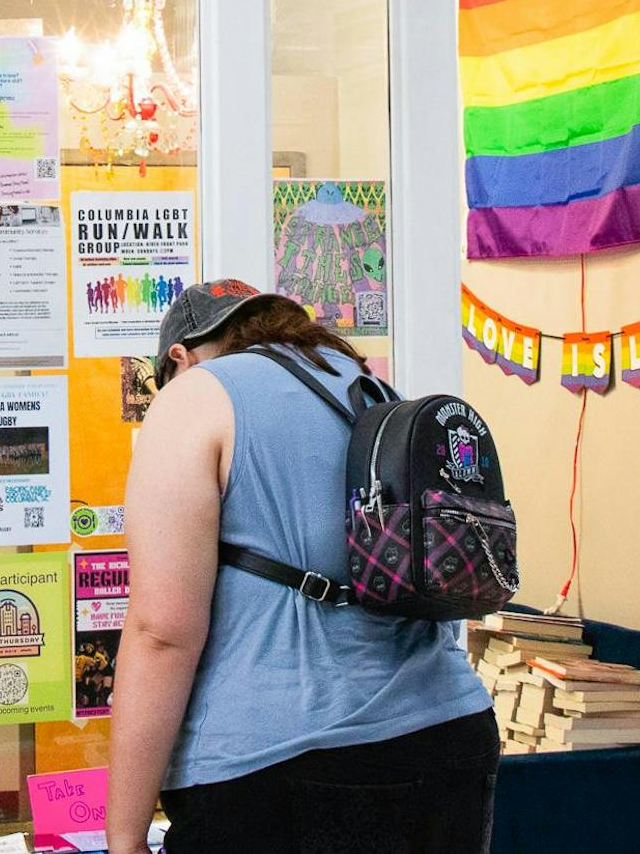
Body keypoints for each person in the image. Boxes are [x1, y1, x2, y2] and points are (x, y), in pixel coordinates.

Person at [107, 281, 498, 854]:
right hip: (452, 736)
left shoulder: (193, 395)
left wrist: (124, 835)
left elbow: (162, 631)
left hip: (284, 763)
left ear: (179, 358)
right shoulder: (369, 389)